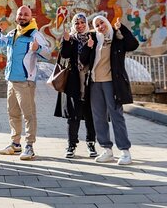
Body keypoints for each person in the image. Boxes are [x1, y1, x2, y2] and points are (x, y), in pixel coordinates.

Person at [0, 6, 50, 160]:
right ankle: (15, 144)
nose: (22, 17)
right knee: (13, 113)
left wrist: (37, 49)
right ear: (16, 17)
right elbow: (5, 45)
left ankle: (29, 146)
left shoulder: (35, 34)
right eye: (20, 14)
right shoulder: (14, 32)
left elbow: (47, 54)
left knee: (29, 115)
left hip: (25, 82)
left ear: (31, 17)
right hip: (11, 80)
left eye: (26, 15)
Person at [89, 15, 139, 165]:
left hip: (112, 82)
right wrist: (88, 47)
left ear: (107, 23)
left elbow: (133, 45)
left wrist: (122, 28)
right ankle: (107, 150)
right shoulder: (95, 40)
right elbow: (85, 60)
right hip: (95, 82)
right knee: (98, 117)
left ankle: (125, 151)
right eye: (97, 25)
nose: (100, 26)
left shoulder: (117, 38)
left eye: (102, 23)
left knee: (116, 115)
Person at [53, 13, 98, 158]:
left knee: (90, 114)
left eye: (82, 22)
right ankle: (71, 145)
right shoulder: (71, 38)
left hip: (90, 81)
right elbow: (64, 55)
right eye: (77, 23)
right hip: (73, 82)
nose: (80, 26)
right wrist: (65, 41)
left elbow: (86, 59)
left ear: (87, 23)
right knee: (73, 115)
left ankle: (91, 143)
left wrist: (89, 47)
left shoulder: (93, 38)